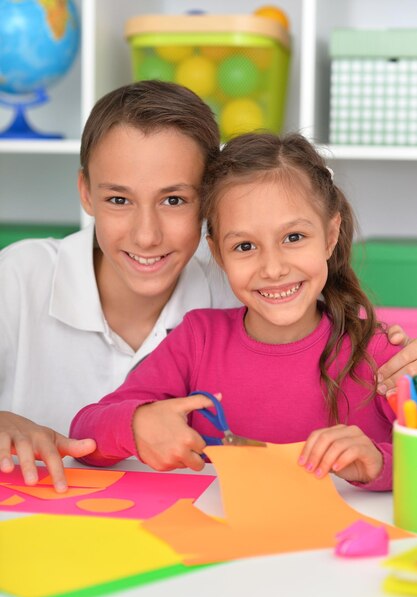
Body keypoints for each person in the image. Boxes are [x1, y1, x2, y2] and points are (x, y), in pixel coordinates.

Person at [1, 85, 415, 492]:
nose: (146, 236)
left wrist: (381, 460)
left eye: (174, 199)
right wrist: (136, 423)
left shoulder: (364, 345)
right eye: (246, 246)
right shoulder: (199, 335)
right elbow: (91, 428)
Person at [0, 80, 239, 492]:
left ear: (208, 201)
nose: (146, 236)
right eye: (119, 200)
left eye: (174, 200)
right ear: (86, 194)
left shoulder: (237, 297)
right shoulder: (20, 278)